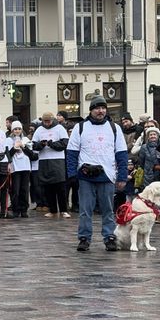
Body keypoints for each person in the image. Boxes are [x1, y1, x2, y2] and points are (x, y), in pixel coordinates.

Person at [66, 95, 127, 252]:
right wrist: (72, 174)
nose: (100, 111)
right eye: (97, 108)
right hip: (85, 174)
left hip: (107, 174)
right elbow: (72, 152)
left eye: (103, 108)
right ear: (91, 110)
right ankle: (84, 238)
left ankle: (109, 237)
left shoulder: (115, 128)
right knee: (85, 210)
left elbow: (121, 153)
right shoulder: (81, 127)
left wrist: (121, 176)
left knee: (108, 209)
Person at [32, 112, 70, 219]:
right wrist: (42, 144)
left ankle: (63, 210)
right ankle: (52, 209)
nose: (47, 123)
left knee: (60, 187)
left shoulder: (59, 128)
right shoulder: (39, 130)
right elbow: (34, 145)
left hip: (58, 160)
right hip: (44, 160)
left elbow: (64, 144)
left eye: (48, 121)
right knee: (48, 187)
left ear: (52, 120)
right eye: (45, 121)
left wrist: (51, 144)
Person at [6, 120, 35, 218]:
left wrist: (23, 147)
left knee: (24, 189)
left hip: (25, 167)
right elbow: (8, 154)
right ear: (12, 130)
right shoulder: (9, 140)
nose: (17, 131)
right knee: (15, 189)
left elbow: (31, 154)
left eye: (19, 129)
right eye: (15, 129)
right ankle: (16, 209)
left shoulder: (26, 139)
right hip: (15, 167)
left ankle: (24, 209)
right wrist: (15, 148)